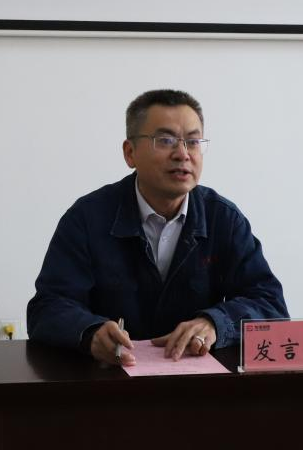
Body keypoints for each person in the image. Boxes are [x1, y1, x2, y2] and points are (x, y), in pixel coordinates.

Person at [26, 89, 287, 366]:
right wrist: (91, 333)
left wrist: (215, 323)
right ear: (130, 153)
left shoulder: (223, 218)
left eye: (193, 141)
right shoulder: (87, 218)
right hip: (109, 379)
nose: (182, 154)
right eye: (165, 140)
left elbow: (270, 304)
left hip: (200, 382)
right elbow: (48, 307)